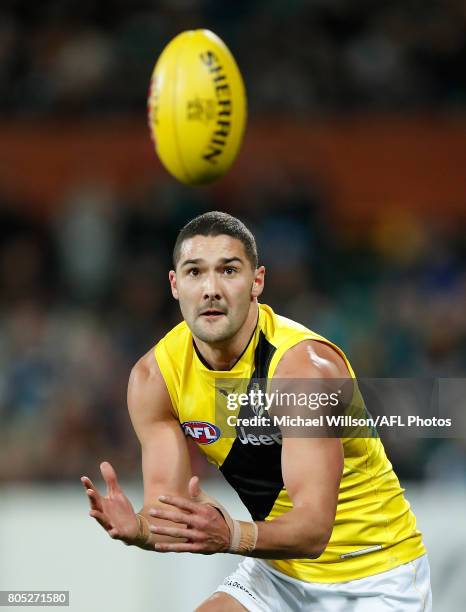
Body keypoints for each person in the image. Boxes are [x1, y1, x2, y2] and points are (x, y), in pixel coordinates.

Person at [81, 211, 432, 611]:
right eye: (195, 273)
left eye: (228, 271)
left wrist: (231, 535)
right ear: (175, 285)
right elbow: (171, 515)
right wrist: (139, 528)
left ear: (257, 282)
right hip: (278, 573)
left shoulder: (303, 371)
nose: (211, 289)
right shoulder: (154, 378)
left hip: (374, 577)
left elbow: (314, 531)